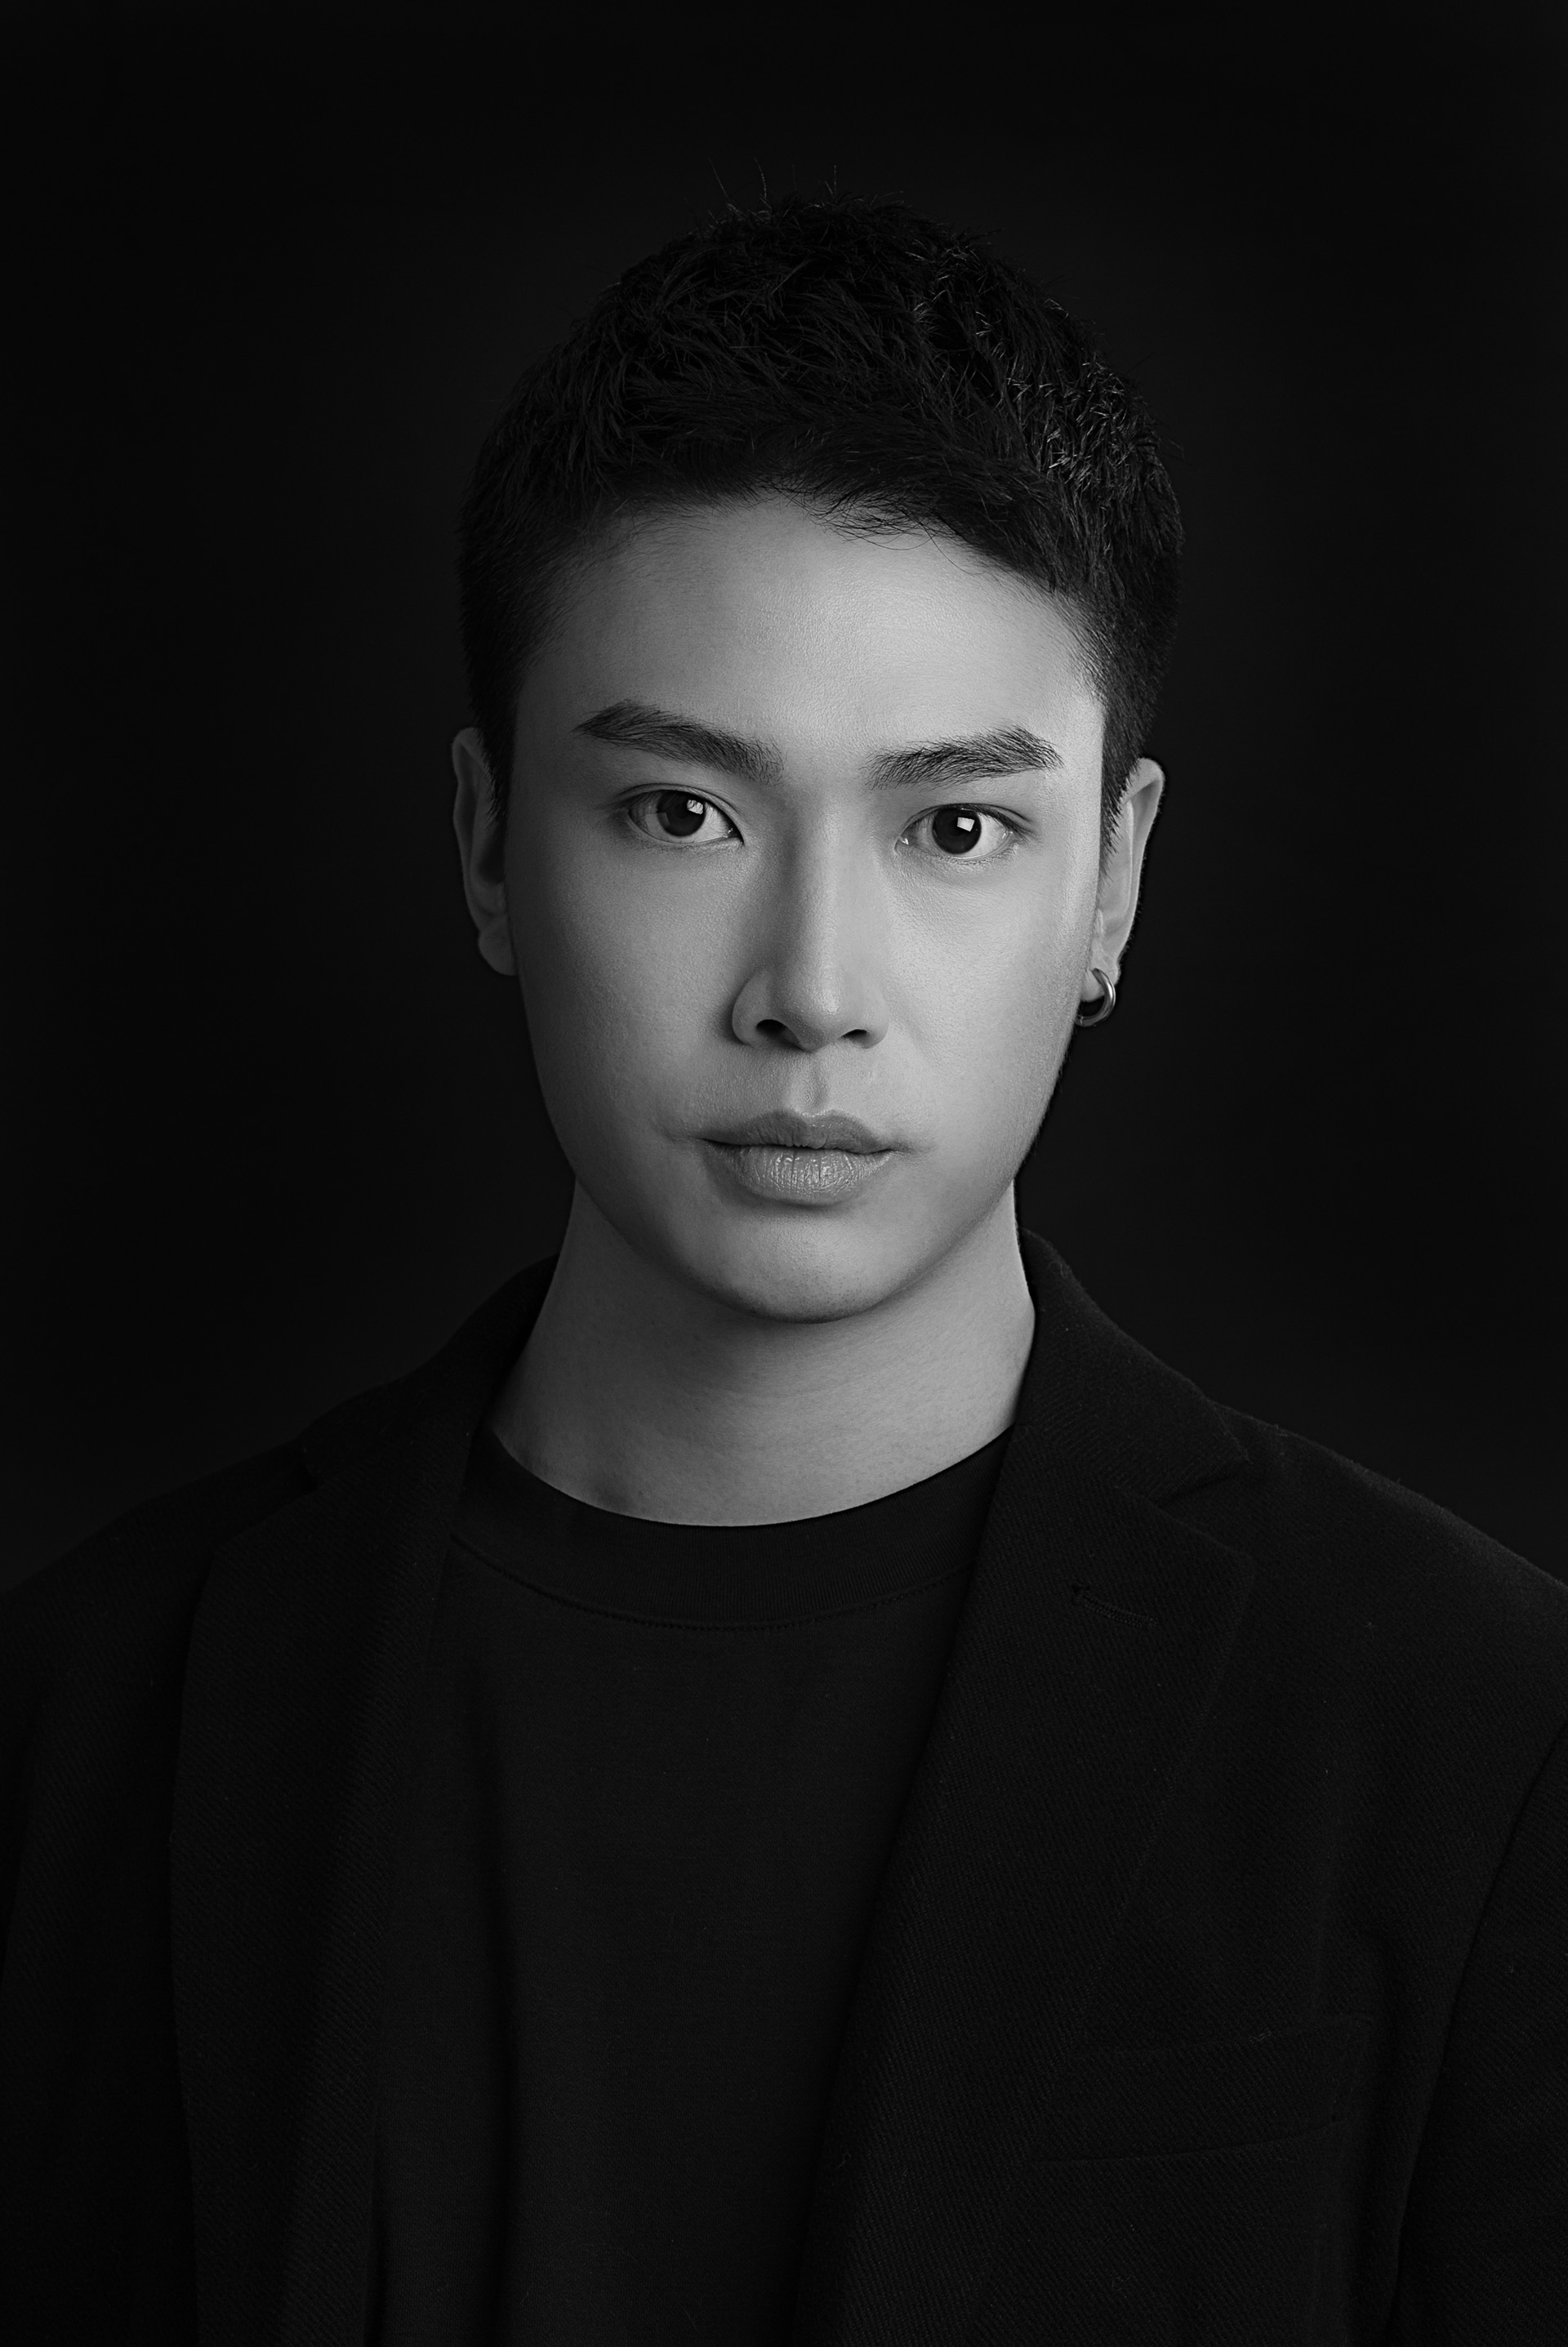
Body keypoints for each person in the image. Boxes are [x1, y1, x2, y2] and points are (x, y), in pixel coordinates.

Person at [2, 189, 1564, 2347]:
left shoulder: (1476, 1740)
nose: (809, 989)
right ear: (487, 842)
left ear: (1112, 881)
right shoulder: (89, 1720)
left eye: (953, 827)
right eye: (682, 814)